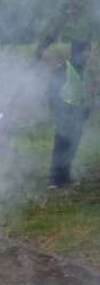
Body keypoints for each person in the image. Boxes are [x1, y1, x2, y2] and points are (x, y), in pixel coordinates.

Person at [48, 39, 93, 188]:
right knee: (62, 146)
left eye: (89, 50)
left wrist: (85, 110)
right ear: (77, 52)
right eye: (86, 50)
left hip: (77, 116)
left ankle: (65, 176)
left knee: (71, 147)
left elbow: (81, 93)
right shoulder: (65, 70)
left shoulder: (81, 69)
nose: (88, 54)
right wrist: (60, 113)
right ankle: (55, 179)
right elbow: (53, 94)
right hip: (66, 116)